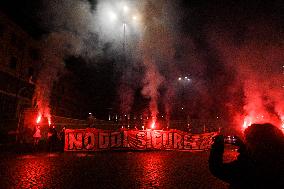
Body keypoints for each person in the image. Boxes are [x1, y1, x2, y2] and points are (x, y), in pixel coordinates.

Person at [209, 123, 284, 189]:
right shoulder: (277, 159)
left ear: (257, 144)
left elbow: (217, 168)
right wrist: (243, 146)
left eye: (248, 141)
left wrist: (218, 145)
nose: (247, 143)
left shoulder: (249, 166)